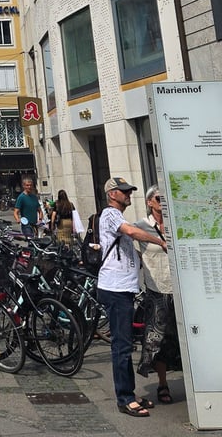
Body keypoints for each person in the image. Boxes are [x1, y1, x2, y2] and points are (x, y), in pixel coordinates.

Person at [97, 177, 167, 418]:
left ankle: (128, 392)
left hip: (123, 288)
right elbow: (131, 232)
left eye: (129, 191)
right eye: (124, 191)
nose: (129, 195)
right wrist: (159, 240)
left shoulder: (118, 216)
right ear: (112, 194)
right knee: (122, 346)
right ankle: (124, 398)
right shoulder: (110, 214)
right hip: (114, 289)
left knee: (125, 344)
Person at [135, 185, 181, 405]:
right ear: (149, 202)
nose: (163, 202)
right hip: (157, 290)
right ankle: (163, 383)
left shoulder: (177, 223)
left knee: (182, 339)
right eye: (158, 199)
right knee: (158, 340)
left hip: (180, 290)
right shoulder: (142, 227)